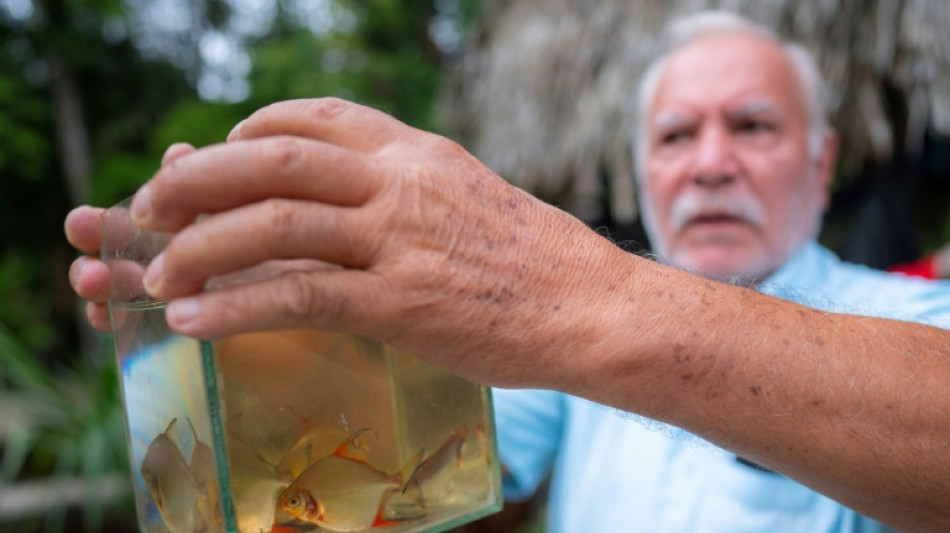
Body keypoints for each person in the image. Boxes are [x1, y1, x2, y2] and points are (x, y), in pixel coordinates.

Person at [65, 10, 950, 533]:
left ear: (824, 161)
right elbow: (420, 475)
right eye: (677, 135)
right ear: (641, 166)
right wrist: (265, 338)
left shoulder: (910, 315)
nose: (711, 163)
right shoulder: (565, 381)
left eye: (752, 127)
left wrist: (573, 295)